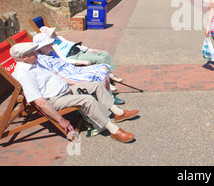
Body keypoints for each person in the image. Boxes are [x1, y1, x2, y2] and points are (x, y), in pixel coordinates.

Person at [10, 42, 139, 143]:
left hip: (65, 90)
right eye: (32, 52)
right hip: (55, 99)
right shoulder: (24, 74)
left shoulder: (34, 63)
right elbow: (39, 101)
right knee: (87, 99)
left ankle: (119, 113)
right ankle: (114, 130)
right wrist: (61, 120)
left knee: (96, 85)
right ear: (23, 57)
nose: (36, 53)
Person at [32, 32, 124, 105]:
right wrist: (74, 81)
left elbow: (66, 56)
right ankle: (107, 103)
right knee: (100, 72)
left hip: (73, 69)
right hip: (69, 75)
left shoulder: (51, 52)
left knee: (104, 68)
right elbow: (54, 76)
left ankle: (109, 98)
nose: (51, 45)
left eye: (50, 43)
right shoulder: (40, 59)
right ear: (40, 47)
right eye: (47, 44)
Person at [39, 26, 124, 86]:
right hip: (74, 56)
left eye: (53, 31)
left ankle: (111, 75)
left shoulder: (59, 38)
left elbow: (73, 44)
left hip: (79, 51)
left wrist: (88, 49)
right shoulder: (52, 46)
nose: (54, 33)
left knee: (105, 53)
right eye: (52, 33)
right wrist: (81, 62)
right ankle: (106, 81)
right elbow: (63, 59)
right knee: (100, 59)